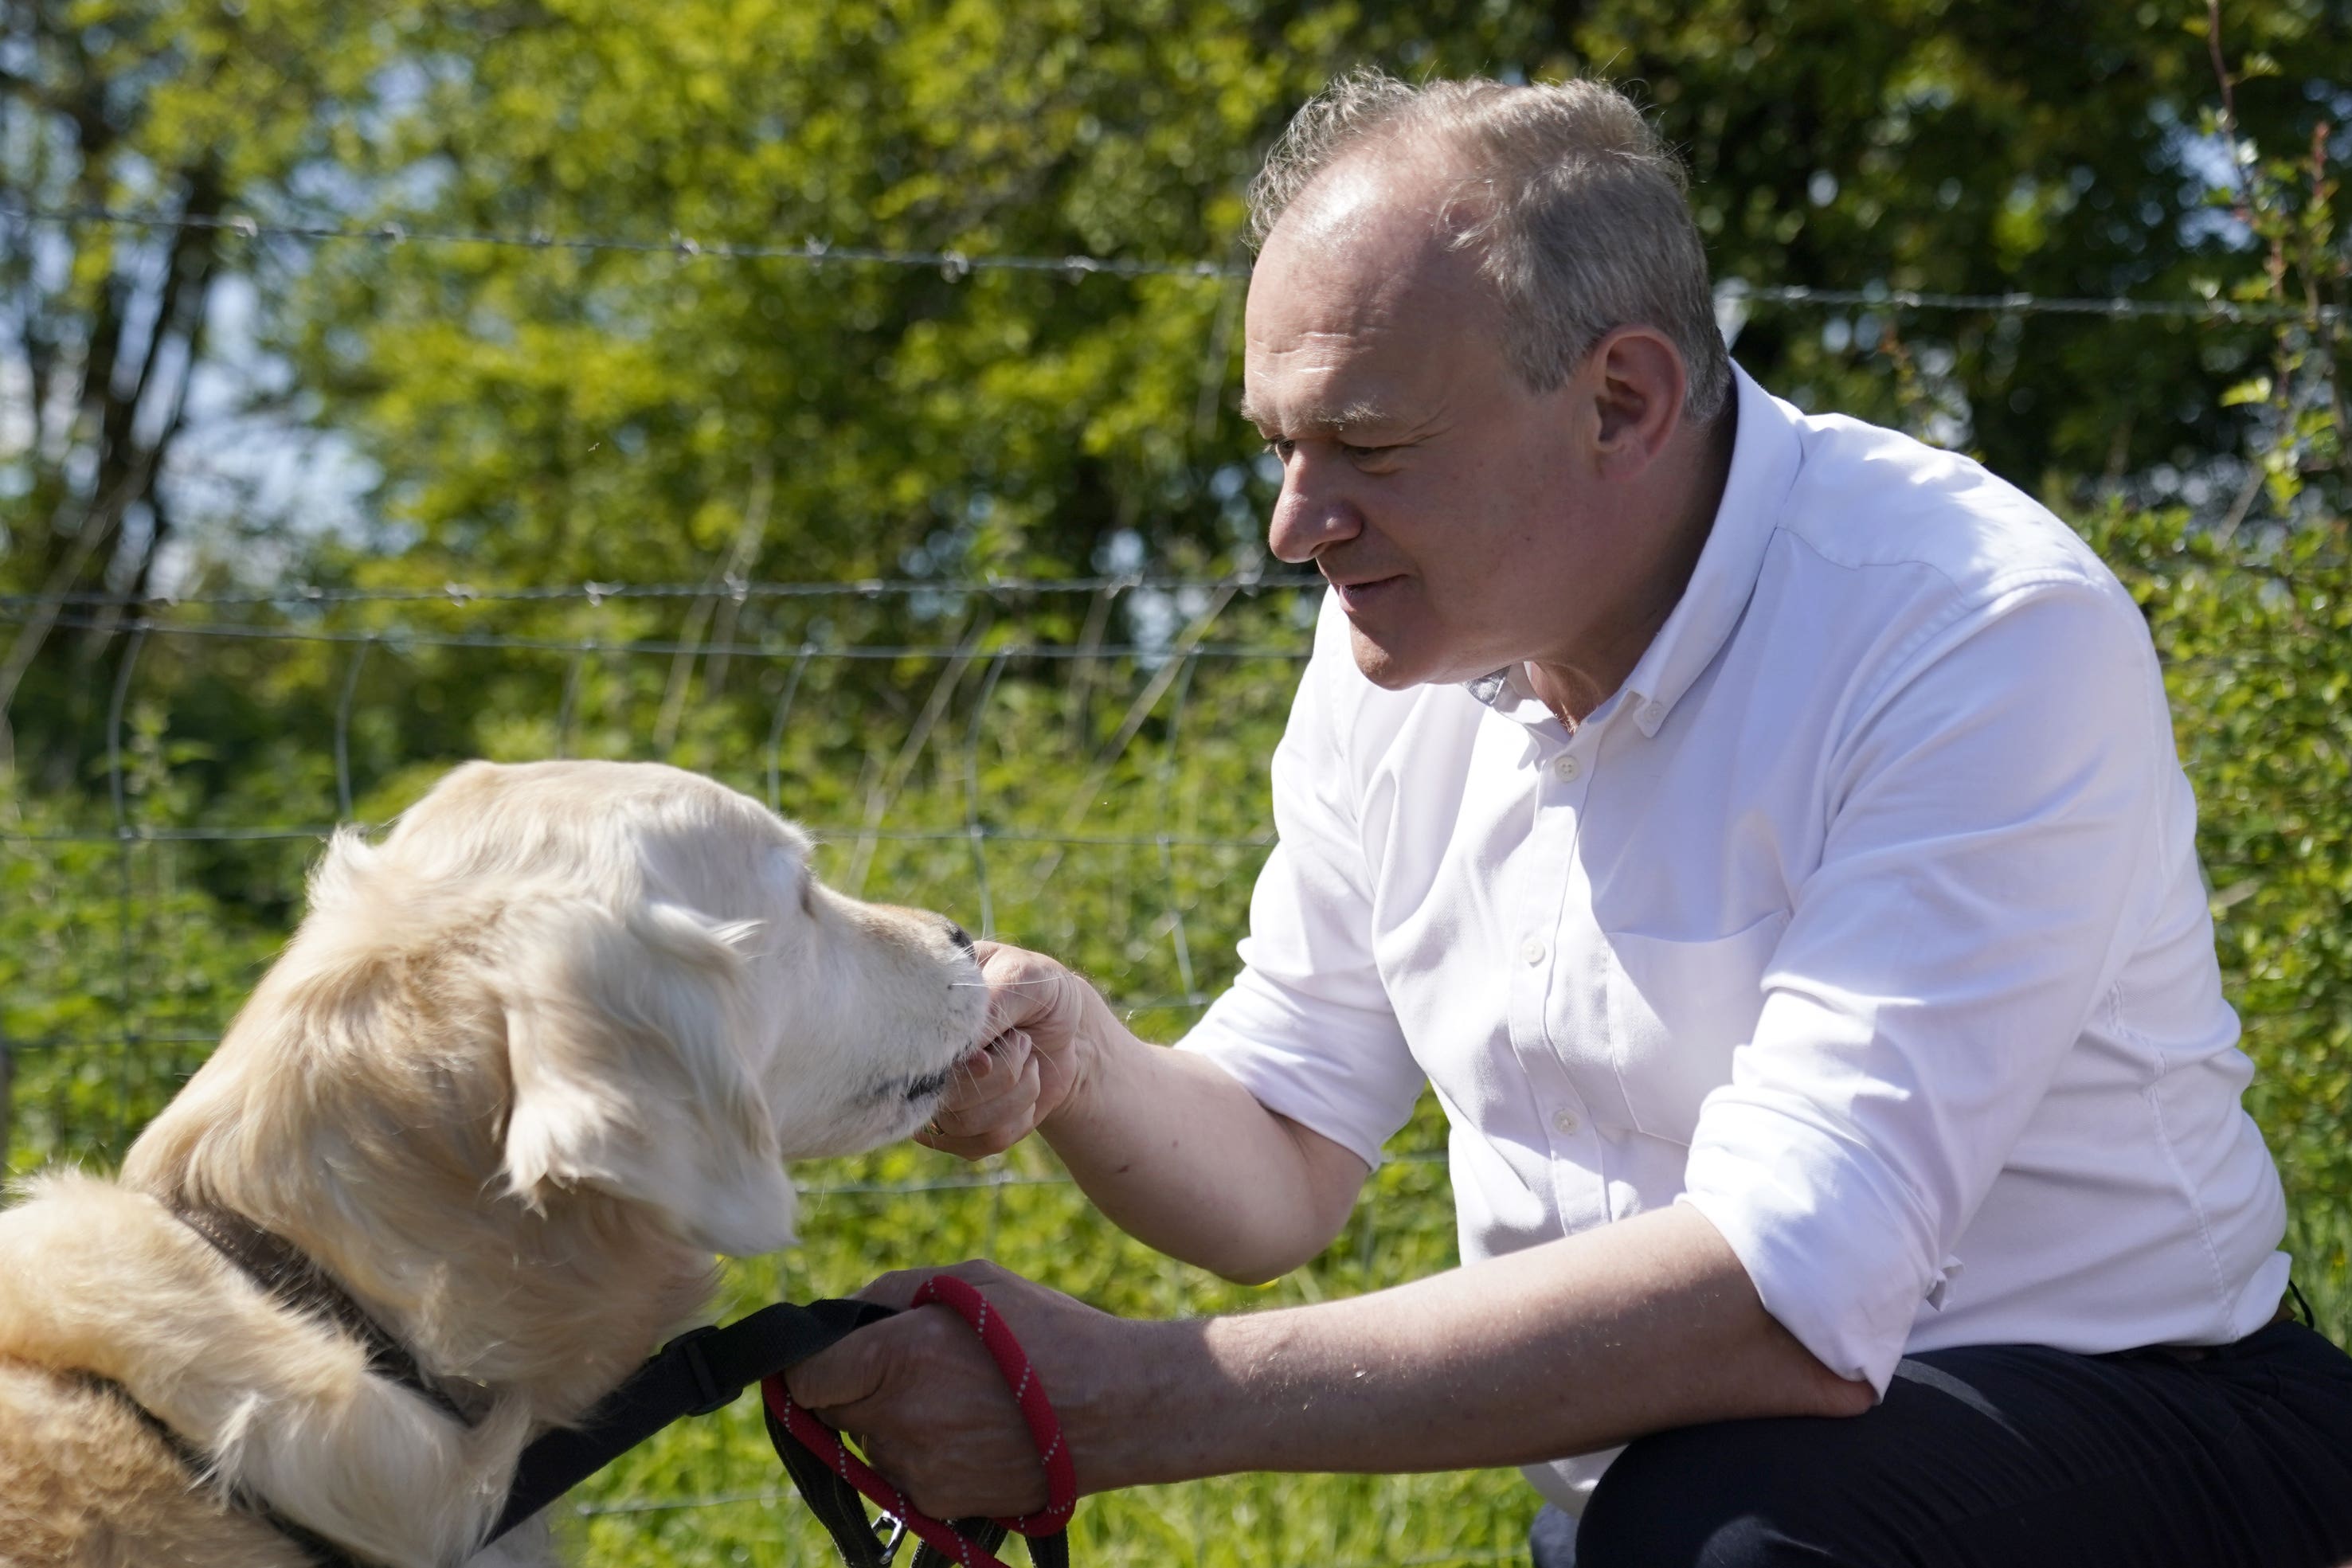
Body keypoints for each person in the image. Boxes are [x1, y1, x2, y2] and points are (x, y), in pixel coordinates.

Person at [784, 72, 2352, 1566]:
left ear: (1621, 398)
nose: (1289, 527)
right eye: (1279, 447)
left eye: (1367, 445)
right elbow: (1278, 1158)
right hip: (1701, 1493)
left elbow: (1780, 1297)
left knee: (1724, 1532)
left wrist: (1139, 1398)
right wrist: (1077, 1048)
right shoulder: (1398, 653)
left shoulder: (1972, 630)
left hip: (2141, 1424)